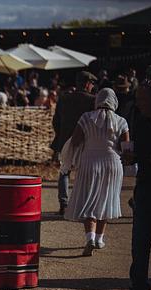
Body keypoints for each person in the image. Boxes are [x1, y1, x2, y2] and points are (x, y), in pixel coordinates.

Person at [64, 88, 129, 256]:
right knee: (105, 199)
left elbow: (75, 141)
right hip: (113, 164)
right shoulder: (121, 121)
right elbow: (126, 148)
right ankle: (99, 239)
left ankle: (90, 238)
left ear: (97, 100)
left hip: (90, 162)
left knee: (89, 199)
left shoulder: (86, 118)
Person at [116, 80, 151, 290]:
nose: (138, 104)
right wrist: (131, 157)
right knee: (139, 243)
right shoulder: (141, 121)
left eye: (142, 99)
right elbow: (140, 151)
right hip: (146, 187)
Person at [51, 71, 97, 216]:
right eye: (92, 84)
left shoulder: (64, 98)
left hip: (65, 140)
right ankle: (82, 205)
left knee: (64, 171)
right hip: (85, 141)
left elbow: (56, 121)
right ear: (88, 84)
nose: (92, 87)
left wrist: (61, 135)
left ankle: (64, 204)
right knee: (85, 173)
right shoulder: (92, 100)